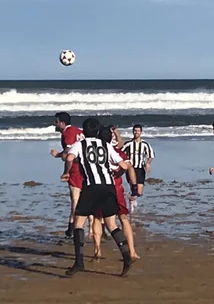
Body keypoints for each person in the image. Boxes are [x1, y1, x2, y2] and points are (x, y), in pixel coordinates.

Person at [61, 116, 137, 277]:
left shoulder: (80, 144)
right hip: (108, 187)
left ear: (84, 131)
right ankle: (126, 256)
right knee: (111, 224)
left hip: (91, 187)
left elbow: (69, 157)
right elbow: (124, 165)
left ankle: (79, 262)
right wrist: (116, 173)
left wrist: (66, 172)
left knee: (79, 223)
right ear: (97, 131)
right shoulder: (106, 145)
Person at [90, 125, 140, 261]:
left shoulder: (94, 152)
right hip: (116, 188)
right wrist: (133, 186)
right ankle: (132, 251)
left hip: (99, 188)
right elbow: (129, 167)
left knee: (97, 218)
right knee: (123, 218)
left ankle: (97, 250)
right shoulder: (117, 152)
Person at [50, 112, 85, 237]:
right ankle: (75, 227)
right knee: (84, 196)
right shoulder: (79, 131)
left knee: (75, 198)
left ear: (62, 123)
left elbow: (69, 152)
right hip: (84, 167)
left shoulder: (67, 133)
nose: (55, 124)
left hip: (75, 167)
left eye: (56, 122)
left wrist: (59, 155)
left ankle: (73, 226)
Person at [122, 124, 155, 208]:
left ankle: (132, 198)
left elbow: (151, 155)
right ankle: (132, 202)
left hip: (140, 169)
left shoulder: (145, 144)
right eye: (135, 131)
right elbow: (121, 153)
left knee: (139, 192)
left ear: (141, 132)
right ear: (133, 132)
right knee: (133, 187)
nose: (136, 132)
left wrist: (147, 163)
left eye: (138, 131)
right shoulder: (128, 144)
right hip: (131, 169)